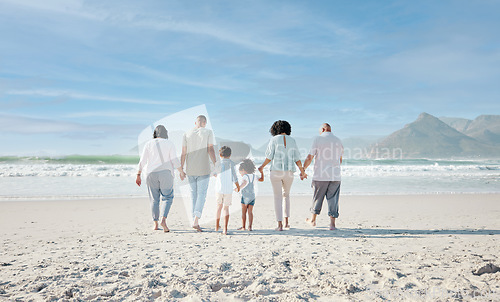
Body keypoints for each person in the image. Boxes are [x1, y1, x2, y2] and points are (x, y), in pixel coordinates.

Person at [258, 120, 307, 231]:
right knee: (286, 195)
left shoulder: (273, 140)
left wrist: (262, 166)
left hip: (275, 171)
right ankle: (286, 223)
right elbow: (297, 158)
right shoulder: (292, 140)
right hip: (289, 172)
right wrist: (302, 171)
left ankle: (279, 225)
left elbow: (269, 157)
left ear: (275, 129)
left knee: (277, 197)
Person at [136, 125, 185, 232]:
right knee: (167, 197)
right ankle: (163, 219)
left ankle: (155, 224)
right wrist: (181, 172)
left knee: (154, 199)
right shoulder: (169, 143)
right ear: (165, 133)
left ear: (155, 133)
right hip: (166, 173)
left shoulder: (148, 144)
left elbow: (143, 160)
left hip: (151, 173)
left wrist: (138, 174)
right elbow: (174, 160)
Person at [303, 123, 344, 230]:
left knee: (317, 198)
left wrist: (303, 169)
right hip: (335, 175)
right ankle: (332, 224)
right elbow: (340, 159)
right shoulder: (338, 140)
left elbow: (309, 157)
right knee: (333, 199)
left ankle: (313, 220)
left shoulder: (318, 139)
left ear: (322, 129)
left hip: (320, 175)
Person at [180, 115, 217, 232]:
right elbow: (210, 149)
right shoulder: (208, 132)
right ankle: (196, 220)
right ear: (205, 122)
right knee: (201, 195)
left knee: (194, 195)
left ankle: (194, 220)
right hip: (203, 169)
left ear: (195, 122)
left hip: (190, 169)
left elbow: (183, 153)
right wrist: (215, 164)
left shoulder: (187, 133)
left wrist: (181, 169)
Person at [215, 146, 240, 235]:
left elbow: (215, 174)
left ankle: (217, 226)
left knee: (219, 207)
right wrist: (238, 186)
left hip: (219, 189)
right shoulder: (232, 164)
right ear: (230, 155)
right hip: (228, 189)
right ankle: (225, 229)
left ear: (220, 154)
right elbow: (234, 177)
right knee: (226, 208)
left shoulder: (217, 163)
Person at [237, 158, 258, 231]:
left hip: (245, 196)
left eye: (240, 172)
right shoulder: (254, 176)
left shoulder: (245, 176)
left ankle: (243, 226)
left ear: (243, 170)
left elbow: (244, 183)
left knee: (243, 212)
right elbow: (259, 180)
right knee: (250, 212)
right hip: (252, 196)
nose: (240, 174)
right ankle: (250, 227)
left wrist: (238, 188)